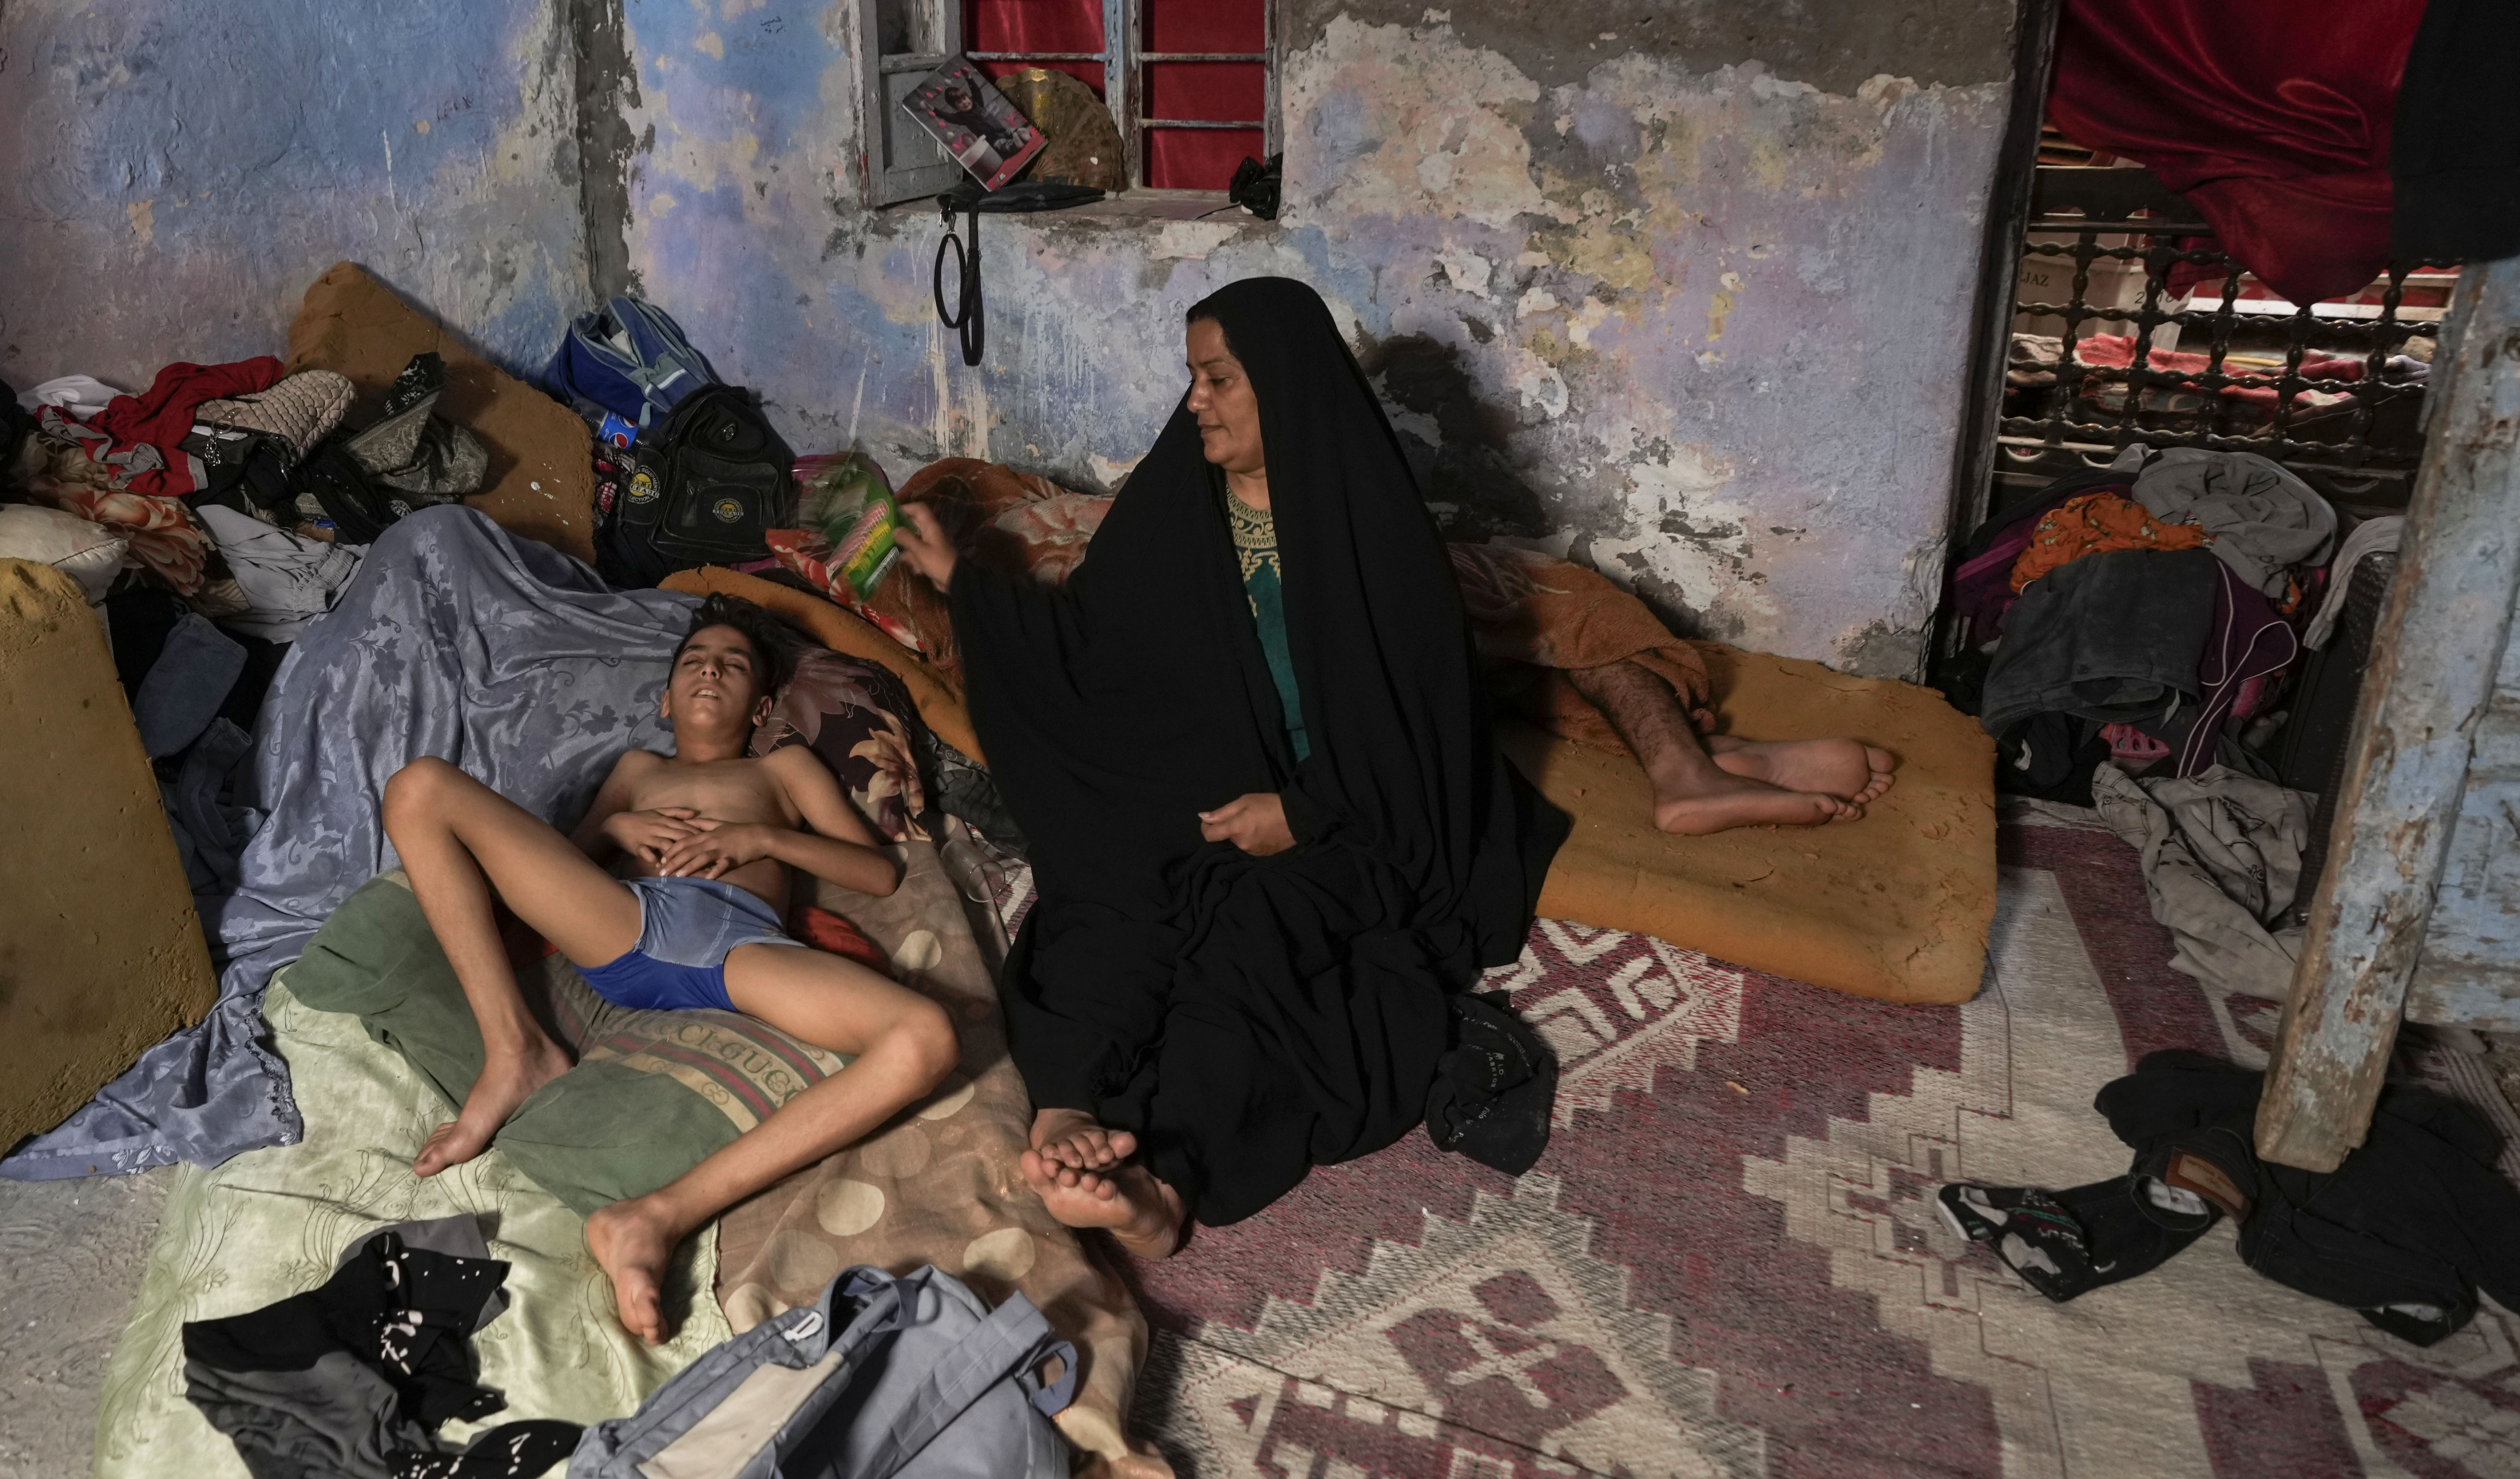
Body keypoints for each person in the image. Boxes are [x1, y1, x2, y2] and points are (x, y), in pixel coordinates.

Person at [894, 278, 1893, 1255]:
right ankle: (1065, 1110)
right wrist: (971, 592)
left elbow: (1423, 742)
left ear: (1283, 385)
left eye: (1219, 380)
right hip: (1191, 792)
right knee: (1102, 899)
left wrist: (1303, 812)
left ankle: (1164, 1181)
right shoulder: (1174, 510)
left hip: (1347, 816)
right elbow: (1094, 656)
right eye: (1194, 378)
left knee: (1260, 939)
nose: (1195, 401)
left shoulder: (1371, 539)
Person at [377, 595, 958, 1341]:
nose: (711, 671)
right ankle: (516, 1049)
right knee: (419, 785)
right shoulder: (636, 769)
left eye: (734, 665)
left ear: (763, 706)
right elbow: (558, 872)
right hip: (629, 923)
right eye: (695, 662)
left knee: (926, 1036)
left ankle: (654, 1218)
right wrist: (616, 824)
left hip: (745, 949)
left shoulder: (782, 770)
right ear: (666, 697)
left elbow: (875, 874)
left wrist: (765, 842)